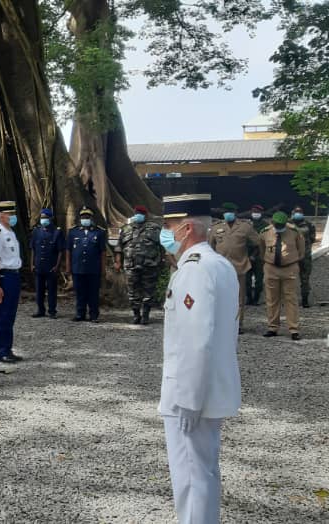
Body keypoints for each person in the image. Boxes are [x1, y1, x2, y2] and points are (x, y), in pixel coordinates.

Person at [157, 192, 241, 524]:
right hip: (209, 387)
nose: (165, 234)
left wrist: (188, 400)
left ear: (187, 228)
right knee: (203, 471)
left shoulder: (194, 269)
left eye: (168, 226)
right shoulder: (219, 265)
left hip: (190, 396)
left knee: (191, 477)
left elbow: (196, 340)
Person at [207, 202, 261, 334]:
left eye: (229, 212)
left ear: (235, 213)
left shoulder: (245, 227)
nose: (227, 214)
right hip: (220, 268)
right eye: (225, 212)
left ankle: (238, 324)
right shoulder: (216, 227)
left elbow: (258, 242)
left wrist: (253, 256)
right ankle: (221, 323)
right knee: (219, 297)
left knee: (238, 298)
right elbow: (210, 246)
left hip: (239, 267)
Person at [260, 211, 306, 340]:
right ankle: (272, 327)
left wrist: (291, 260)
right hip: (271, 268)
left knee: (291, 299)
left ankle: (293, 329)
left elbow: (301, 251)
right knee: (271, 299)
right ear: (272, 222)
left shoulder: (295, 232)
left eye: (281, 225)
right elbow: (261, 249)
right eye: (276, 225)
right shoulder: (265, 232)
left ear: (286, 223)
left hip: (290, 269)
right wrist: (269, 261)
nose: (279, 227)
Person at [116, 205, 164, 324]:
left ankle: (146, 315)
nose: (138, 215)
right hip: (131, 266)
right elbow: (118, 248)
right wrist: (117, 262)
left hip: (150, 266)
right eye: (137, 213)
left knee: (149, 292)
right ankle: (136, 315)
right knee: (132, 292)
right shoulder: (125, 229)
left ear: (146, 215)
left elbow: (162, 247)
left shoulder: (155, 228)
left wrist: (162, 261)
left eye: (141, 213)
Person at [0, 200, 24, 363]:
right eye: (10, 214)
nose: (13, 216)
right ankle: (0, 351)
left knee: (10, 315)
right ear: (1, 216)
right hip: (5, 277)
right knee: (2, 315)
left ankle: (7, 348)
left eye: (13, 213)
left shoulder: (10, 232)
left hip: (14, 276)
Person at [66, 206, 107, 323]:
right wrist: (68, 267)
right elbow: (68, 250)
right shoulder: (73, 232)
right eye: (83, 217)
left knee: (93, 293)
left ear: (91, 218)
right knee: (79, 292)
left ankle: (94, 315)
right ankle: (80, 313)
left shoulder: (99, 232)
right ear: (80, 218)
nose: (85, 219)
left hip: (93, 269)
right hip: (78, 268)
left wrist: (103, 269)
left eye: (87, 217)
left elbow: (103, 252)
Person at [30, 208, 64, 319]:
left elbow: (60, 251)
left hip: (51, 266)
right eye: (42, 217)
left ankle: (52, 311)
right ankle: (40, 310)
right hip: (39, 265)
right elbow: (33, 249)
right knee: (39, 290)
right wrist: (32, 263)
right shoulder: (36, 231)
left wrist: (57, 266)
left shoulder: (57, 231)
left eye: (45, 217)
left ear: (51, 218)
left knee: (52, 290)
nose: (43, 219)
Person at [291, 205, 316, 308]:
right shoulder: (287, 224)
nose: (298, 213)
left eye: (299, 212)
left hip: (304, 257)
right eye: (296, 212)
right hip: (290, 257)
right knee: (289, 279)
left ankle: (304, 300)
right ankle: (290, 301)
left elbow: (312, 239)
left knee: (304, 279)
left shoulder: (309, 225)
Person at [247, 204, 270, 305]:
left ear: (261, 213)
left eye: (257, 211)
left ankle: (256, 298)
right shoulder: (246, 225)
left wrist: (255, 254)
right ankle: (249, 298)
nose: (254, 213)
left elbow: (264, 242)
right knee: (246, 279)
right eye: (253, 211)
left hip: (259, 256)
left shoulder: (266, 226)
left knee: (259, 279)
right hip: (246, 255)